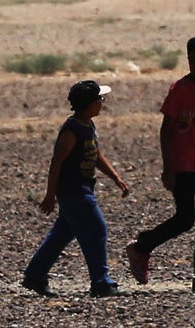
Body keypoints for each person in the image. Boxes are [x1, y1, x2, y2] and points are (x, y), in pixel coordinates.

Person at [126, 37, 195, 292]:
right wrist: (168, 168)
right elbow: (166, 129)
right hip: (182, 166)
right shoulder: (180, 89)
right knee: (185, 219)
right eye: (192, 60)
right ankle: (141, 247)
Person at [23, 79, 128, 297]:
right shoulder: (71, 131)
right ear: (89, 104)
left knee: (62, 233)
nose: (102, 102)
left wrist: (115, 177)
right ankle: (101, 282)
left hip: (84, 187)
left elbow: (96, 155)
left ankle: (35, 275)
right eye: (99, 99)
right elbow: (56, 163)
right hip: (73, 190)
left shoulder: (88, 125)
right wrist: (50, 195)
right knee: (97, 229)